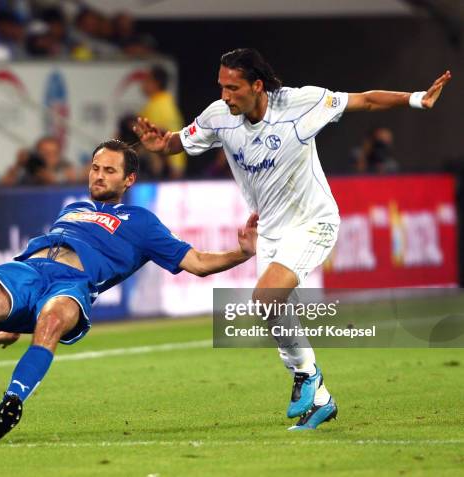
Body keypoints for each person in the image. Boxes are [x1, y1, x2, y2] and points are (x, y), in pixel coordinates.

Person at [134, 48, 452, 430]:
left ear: (257, 85)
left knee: (265, 296)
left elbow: (365, 101)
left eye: (232, 88)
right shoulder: (219, 117)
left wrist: (418, 99)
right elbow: (179, 142)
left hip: (313, 220)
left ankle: (306, 375)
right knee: (269, 308)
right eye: (221, 86)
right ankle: (320, 399)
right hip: (271, 228)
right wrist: (161, 144)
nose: (225, 95)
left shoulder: (302, 104)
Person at [0, 139, 258, 440]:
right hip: (29, 270)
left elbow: (196, 262)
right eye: (95, 168)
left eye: (109, 170)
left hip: (72, 285)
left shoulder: (142, 222)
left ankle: (13, 400)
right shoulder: (74, 208)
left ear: (128, 179)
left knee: (49, 322)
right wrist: (12, 325)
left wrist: (242, 253)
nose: (99, 175)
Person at [139, 65, 187, 179]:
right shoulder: (166, 101)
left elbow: (159, 135)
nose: (142, 85)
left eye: (146, 81)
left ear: (155, 83)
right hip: (176, 163)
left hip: (169, 166)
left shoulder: (158, 105)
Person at [0, 136, 77, 186]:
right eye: (46, 153)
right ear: (37, 153)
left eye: (54, 153)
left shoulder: (66, 170)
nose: (50, 157)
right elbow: (2, 187)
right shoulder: (26, 170)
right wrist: (18, 165)